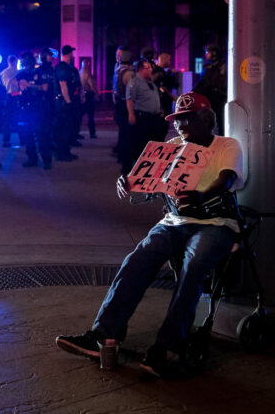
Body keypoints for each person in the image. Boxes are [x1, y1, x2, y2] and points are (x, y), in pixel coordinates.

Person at [56, 92, 246, 378]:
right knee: (137, 260)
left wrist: (201, 195)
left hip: (215, 223)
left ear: (206, 120)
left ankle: (167, 346)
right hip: (174, 222)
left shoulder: (227, 145)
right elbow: (147, 182)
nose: (180, 126)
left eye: (187, 119)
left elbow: (227, 179)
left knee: (193, 268)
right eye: (177, 120)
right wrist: (129, 183)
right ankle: (104, 336)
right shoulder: (171, 147)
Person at [122, 59, 163, 175]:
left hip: (153, 118)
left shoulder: (150, 83)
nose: (151, 70)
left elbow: (154, 97)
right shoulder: (134, 82)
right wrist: (131, 114)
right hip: (142, 118)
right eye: (148, 68)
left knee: (153, 144)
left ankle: (150, 168)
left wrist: (159, 109)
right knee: (137, 144)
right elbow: (129, 99)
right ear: (140, 70)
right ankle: (130, 169)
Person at [17, 51, 54, 169]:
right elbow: (13, 85)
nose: (26, 65)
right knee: (28, 135)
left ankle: (47, 160)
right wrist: (19, 86)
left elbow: (45, 88)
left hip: (38, 109)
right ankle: (32, 159)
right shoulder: (21, 74)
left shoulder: (40, 73)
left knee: (41, 135)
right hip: (26, 109)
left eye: (26, 63)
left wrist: (29, 86)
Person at [194, 44, 227, 135]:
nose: (206, 54)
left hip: (219, 99)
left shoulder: (223, 66)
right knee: (205, 121)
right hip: (207, 99)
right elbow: (201, 83)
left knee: (221, 122)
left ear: (214, 53)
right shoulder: (206, 67)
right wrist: (193, 92)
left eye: (207, 52)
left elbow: (221, 82)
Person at [53, 45, 79, 161]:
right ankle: (62, 153)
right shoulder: (62, 67)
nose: (73, 56)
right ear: (68, 54)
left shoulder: (66, 67)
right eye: (72, 53)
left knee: (67, 128)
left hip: (65, 101)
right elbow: (63, 85)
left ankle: (66, 151)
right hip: (63, 102)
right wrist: (68, 102)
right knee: (63, 128)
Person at [113, 48, 135, 161]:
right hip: (125, 103)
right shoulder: (129, 73)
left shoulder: (118, 70)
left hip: (119, 102)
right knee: (126, 131)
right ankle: (124, 155)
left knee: (122, 130)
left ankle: (120, 151)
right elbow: (131, 92)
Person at [153, 52, 179, 141]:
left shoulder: (166, 72)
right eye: (168, 60)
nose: (169, 62)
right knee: (160, 126)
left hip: (166, 102)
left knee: (164, 126)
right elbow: (161, 87)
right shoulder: (156, 71)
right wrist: (172, 96)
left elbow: (173, 84)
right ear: (162, 59)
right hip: (160, 102)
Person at [0, 55, 21, 148]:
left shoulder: (4, 73)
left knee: (9, 120)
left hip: (12, 97)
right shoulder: (18, 72)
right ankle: (22, 140)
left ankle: (7, 141)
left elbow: (3, 86)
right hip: (14, 97)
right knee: (18, 119)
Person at [79, 57, 98, 139]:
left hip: (81, 96)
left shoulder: (79, 73)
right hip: (88, 96)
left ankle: (76, 132)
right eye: (88, 64)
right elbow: (92, 85)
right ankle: (92, 133)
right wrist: (97, 93)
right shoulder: (88, 74)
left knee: (80, 116)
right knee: (90, 116)